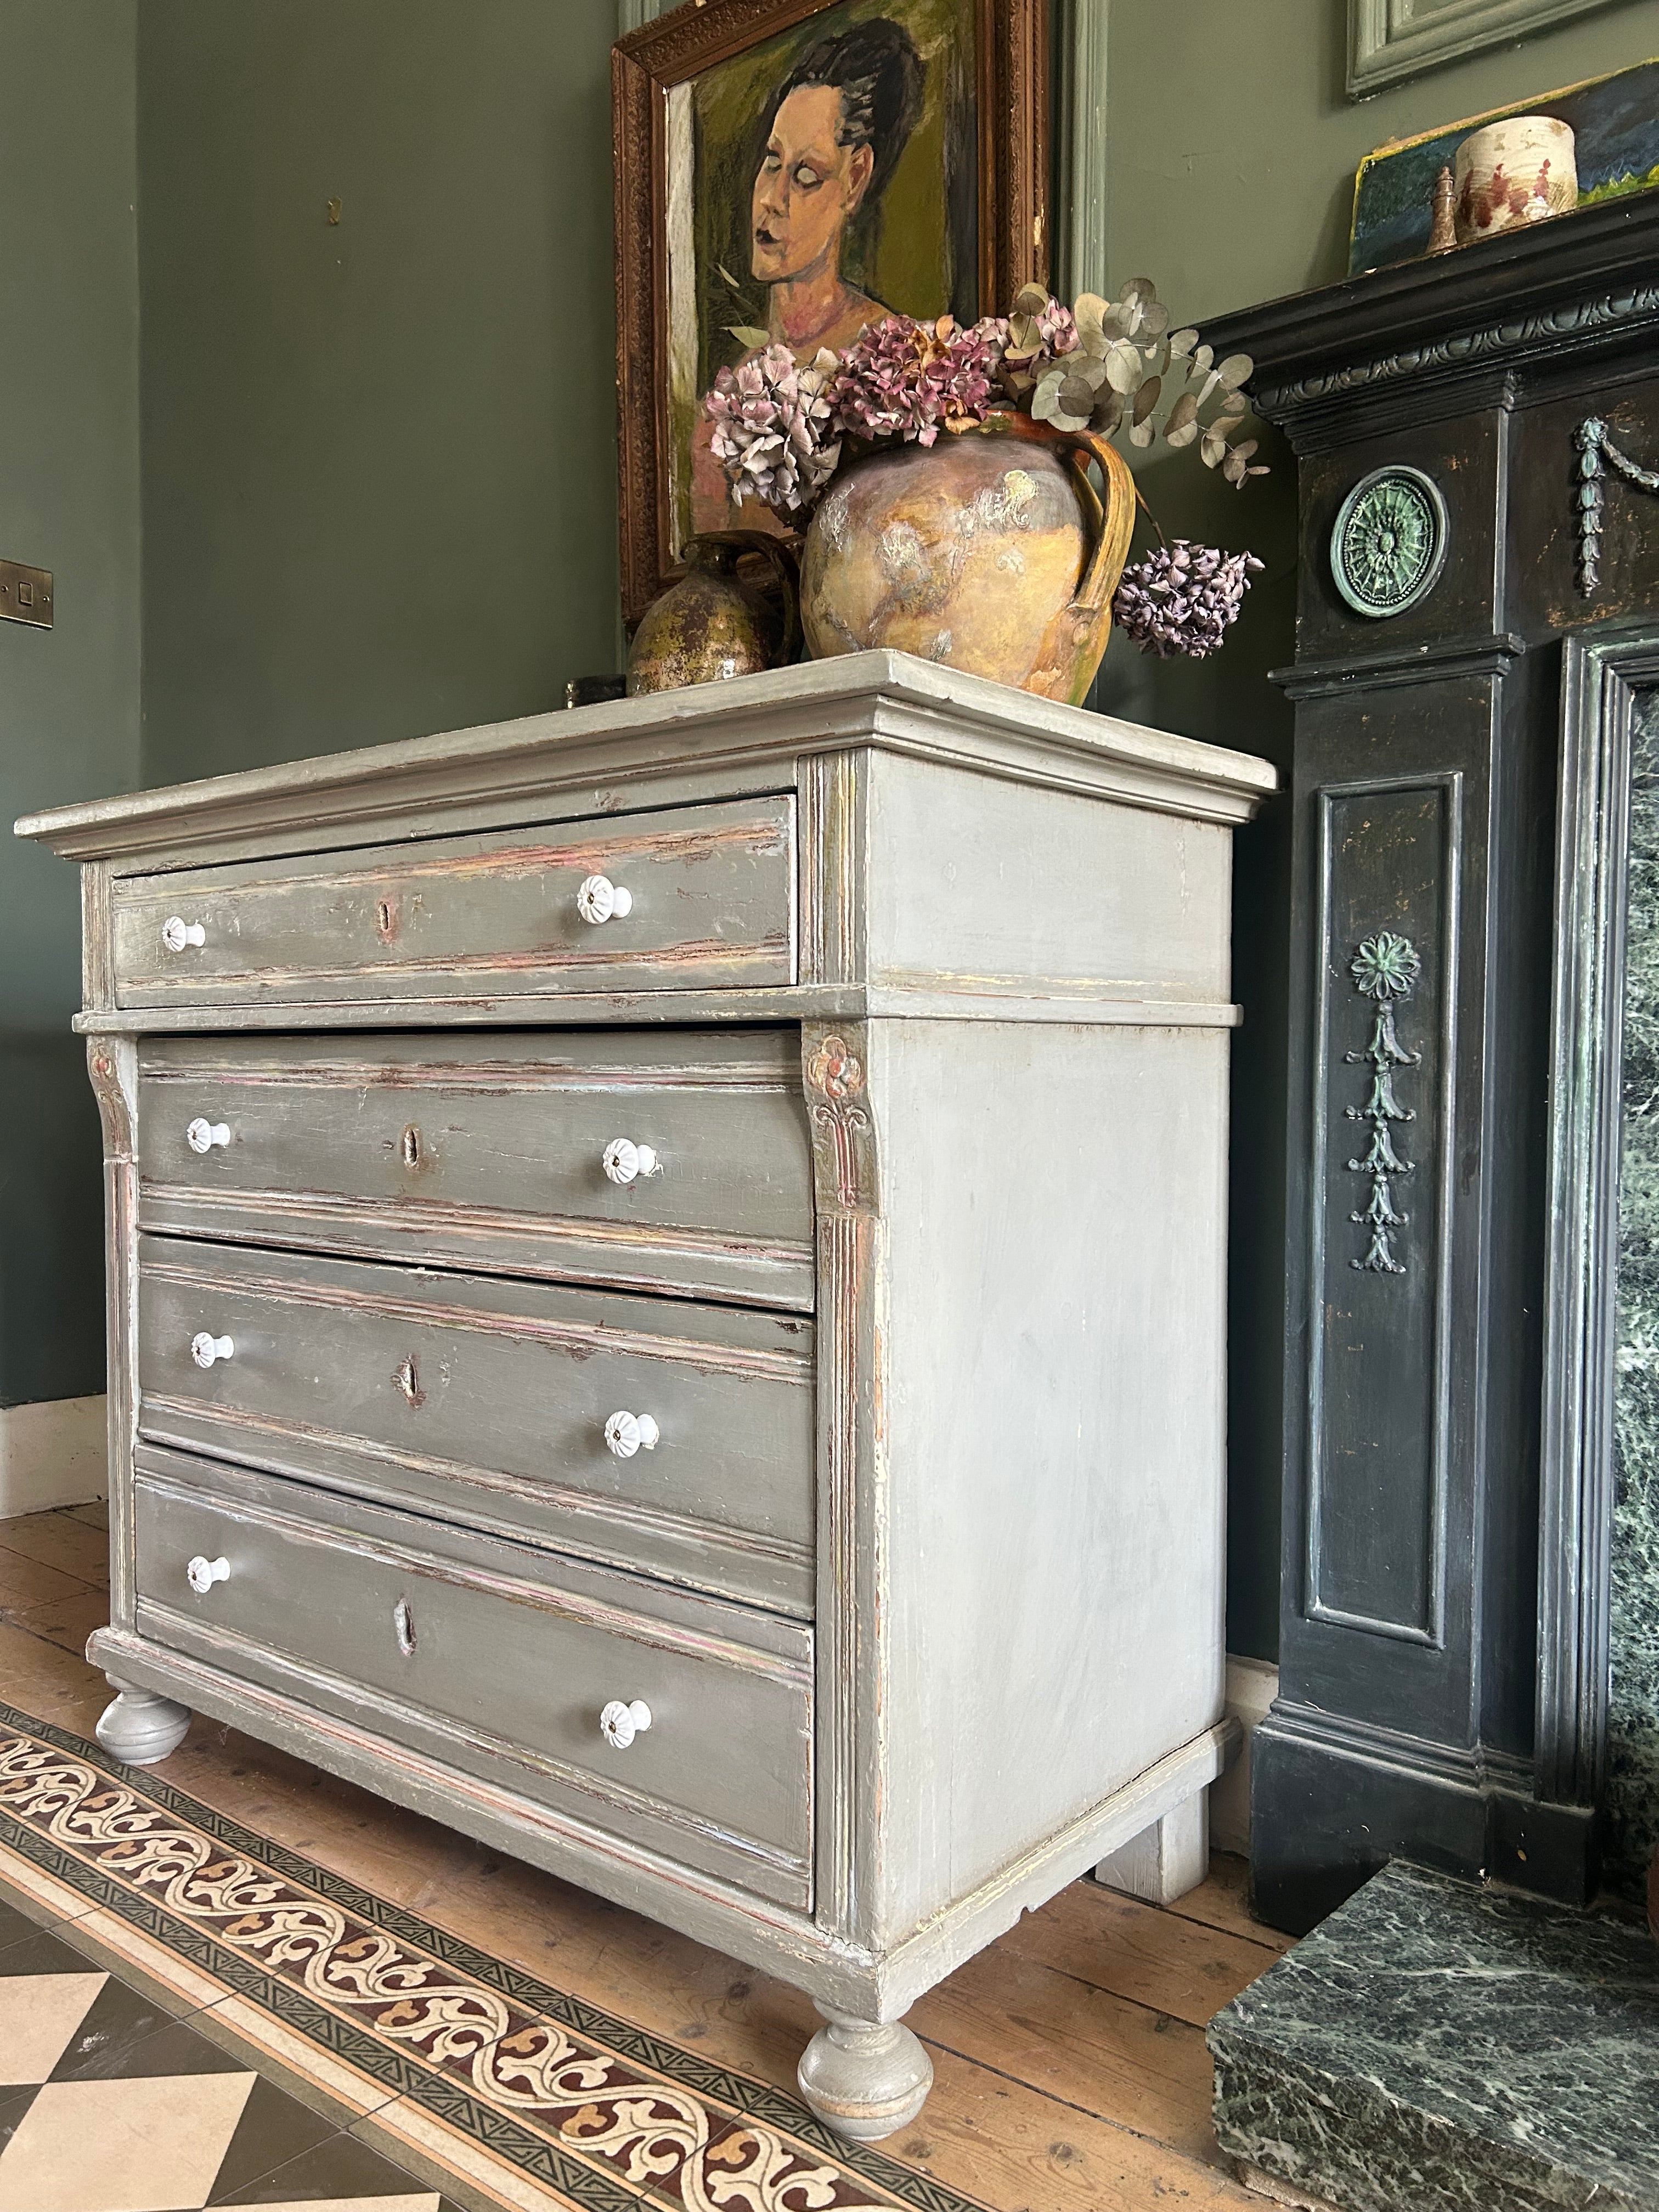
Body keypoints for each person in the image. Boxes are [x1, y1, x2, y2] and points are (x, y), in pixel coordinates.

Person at [691, 18, 923, 533]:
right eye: (772, 163)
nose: (772, 200)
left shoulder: (891, 359)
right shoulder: (731, 393)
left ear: (855, 179)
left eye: (804, 175)